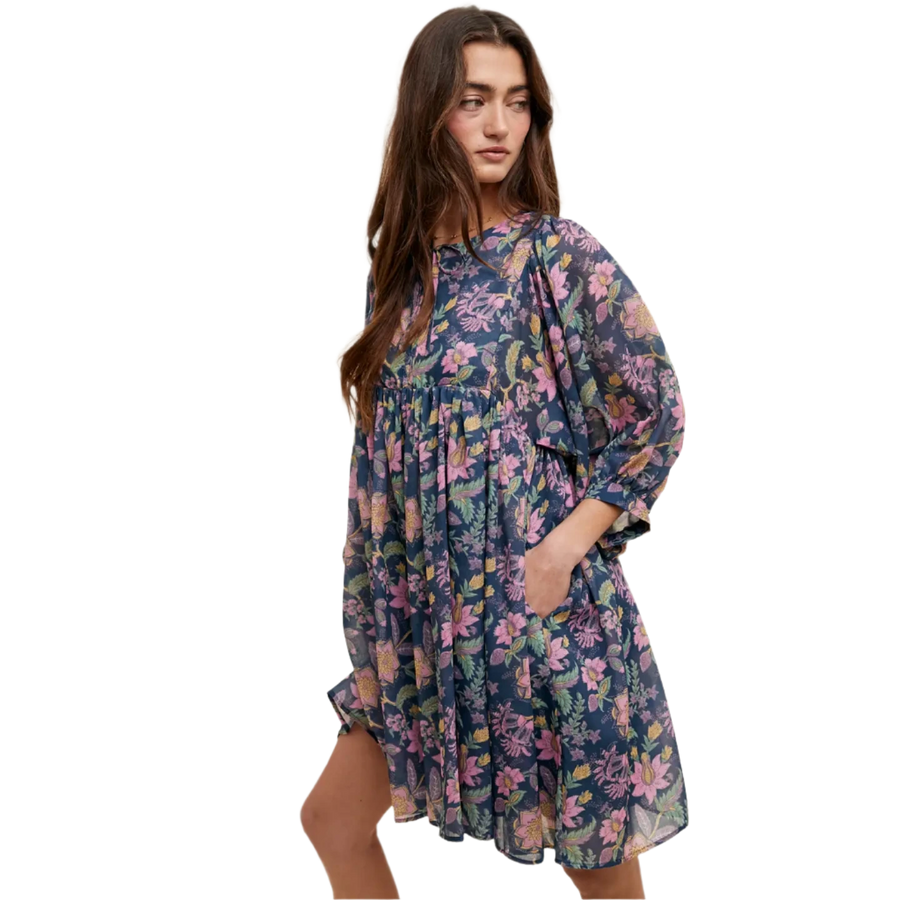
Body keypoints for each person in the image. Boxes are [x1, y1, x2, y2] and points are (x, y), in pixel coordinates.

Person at [298, 4, 690, 898]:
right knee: (332, 820)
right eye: (474, 99)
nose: (499, 124)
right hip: (427, 630)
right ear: (429, 109)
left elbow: (659, 413)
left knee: (600, 872)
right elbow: (389, 472)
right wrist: (385, 618)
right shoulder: (397, 277)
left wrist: (561, 551)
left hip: (543, 620)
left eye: (517, 102)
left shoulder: (559, 255)